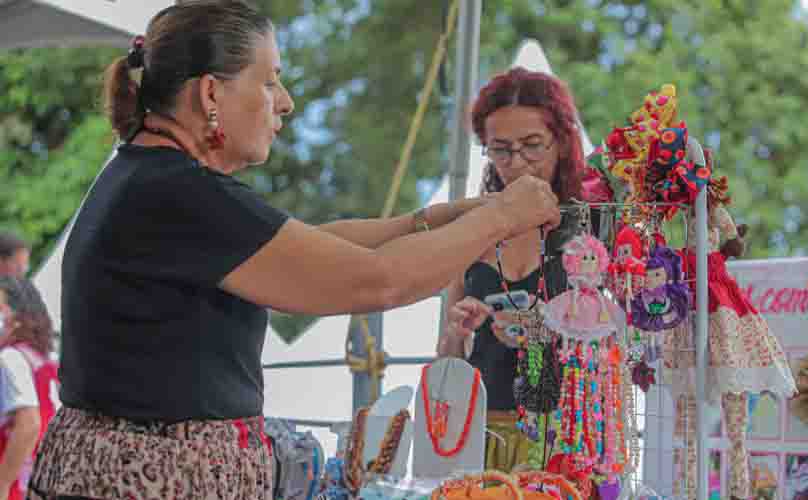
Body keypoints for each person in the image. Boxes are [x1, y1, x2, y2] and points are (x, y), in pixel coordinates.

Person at [26, 2, 562, 499]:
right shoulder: (178, 193)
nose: (285, 102)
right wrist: (501, 215)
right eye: (269, 81)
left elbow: (313, 247)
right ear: (210, 94)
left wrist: (435, 220)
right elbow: (376, 280)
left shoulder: (154, 179)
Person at [436, 67, 591, 472]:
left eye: (532, 146)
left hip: (564, 437)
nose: (517, 163)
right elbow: (447, 361)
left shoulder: (591, 228)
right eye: (500, 149)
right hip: (478, 434)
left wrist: (545, 328)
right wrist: (455, 335)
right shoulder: (473, 229)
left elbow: (613, 347)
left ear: (561, 143)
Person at [0, 278, 59, 500]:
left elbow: (29, 424)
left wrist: (3, 483)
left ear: (18, 317)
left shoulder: (10, 358)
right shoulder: (46, 358)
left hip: (19, 484)